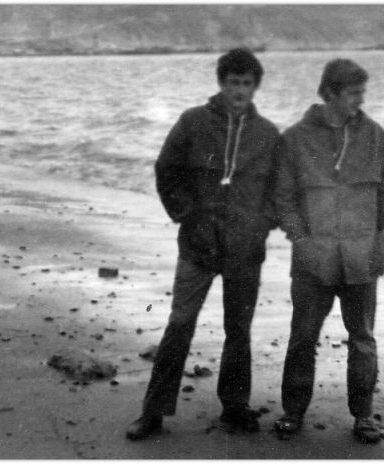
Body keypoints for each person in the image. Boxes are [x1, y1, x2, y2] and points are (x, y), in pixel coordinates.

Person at [126, 48, 280, 440]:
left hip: (244, 251)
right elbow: (166, 171)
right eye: (233, 82)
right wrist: (186, 216)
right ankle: (153, 412)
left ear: (256, 87)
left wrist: (261, 226)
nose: (239, 91)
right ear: (221, 83)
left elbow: (279, 192)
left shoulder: (267, 134)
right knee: (180, 323)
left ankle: (235, 407)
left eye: (247, 84)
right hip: (198, 245)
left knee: (238, 330)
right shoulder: (192, 122)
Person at [273, 58, 384, 444]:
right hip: (312, 259)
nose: (360, 101)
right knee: (302, 337)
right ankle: (292, 412)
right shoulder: (294, 139)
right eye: (353, 93)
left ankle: (363, 415)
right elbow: (283, 199)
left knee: (362, 337)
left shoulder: (376, 136)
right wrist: (300, 241)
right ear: (329, 92)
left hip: (363, 257)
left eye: (362, 93)